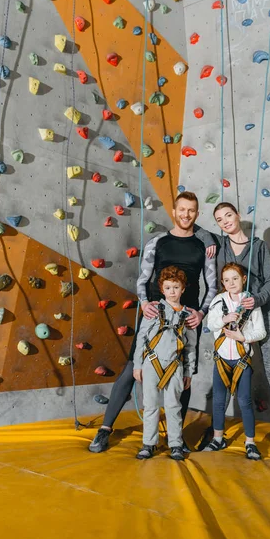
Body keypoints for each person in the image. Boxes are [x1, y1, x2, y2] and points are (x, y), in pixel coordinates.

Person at [89, 191, 217, 453]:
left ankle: (176, 439)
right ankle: (105, 430)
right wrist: (146, 303)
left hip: (187, 318)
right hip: (156, 316)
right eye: (182, 209)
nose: (186, 215)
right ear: (174, 211)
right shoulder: (158, 241)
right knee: (130, 371)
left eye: (191, 210)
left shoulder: (205, 245)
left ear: (197, 214)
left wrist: (201, 313)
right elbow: (142, 279)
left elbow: (212, 287)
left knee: (183, 377)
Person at [199, 202, 270, 459]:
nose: (225, 221)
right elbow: (194, 228)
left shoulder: (259, 246)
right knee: (227, 371)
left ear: (238, 215)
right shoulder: (220, 245)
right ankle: (218, 434)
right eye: (219, 219)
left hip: (263, 312)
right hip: (234, 317)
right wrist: (209, 236)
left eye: (229, 215)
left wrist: (259, 299)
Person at [133, 266, 196, 461]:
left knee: (173, 406)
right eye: (168, 288)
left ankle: (175, 444)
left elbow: (191, 346)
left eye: (176, 287)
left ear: (183, 289)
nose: (172, 292)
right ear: (162, 289)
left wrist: (189, 371)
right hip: (152, 363)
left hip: (175, 366)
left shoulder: (188, 315)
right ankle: (148, 443)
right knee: (150, 405)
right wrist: (137, 364)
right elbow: (141, 338)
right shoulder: (153, 310)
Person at [203, 263, 266, 460]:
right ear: (222, 282)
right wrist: (224, 318)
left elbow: (261, 331)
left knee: (244, 401)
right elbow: (210, 324)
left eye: (235, 278)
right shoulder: (218, 301)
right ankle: (218, 438)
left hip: (241, 359)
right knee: (219, 401)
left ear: (243, 279)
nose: (231, 283)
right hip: (222, 360)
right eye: (227, 280)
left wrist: (243, 338)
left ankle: (250, 442)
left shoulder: (250, 303)